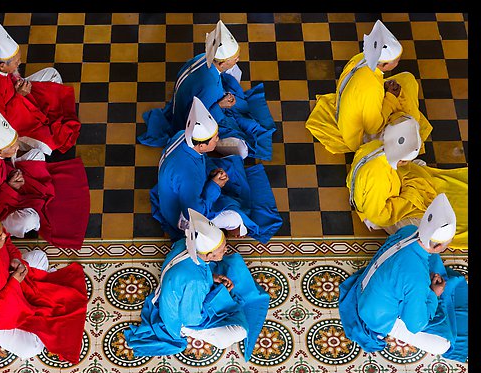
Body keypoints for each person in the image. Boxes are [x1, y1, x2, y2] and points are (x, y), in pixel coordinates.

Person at [0, 192, 88, 363]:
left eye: (2, 232)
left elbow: (8, 244)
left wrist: (16, 259)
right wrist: (14, 282)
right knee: (32, 347)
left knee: (39, 257)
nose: (5, 236)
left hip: (12, 283)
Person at [124, 208, 270, 361]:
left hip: (171, 296)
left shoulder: (184, 244)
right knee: (238, 333)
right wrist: (219, 297)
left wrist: (211, 277)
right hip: (179, 320)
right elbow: (192, 319)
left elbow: (191, 272)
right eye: (221, 250)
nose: (226, 250)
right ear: (208, 255)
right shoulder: (197, 282)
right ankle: (186, 332)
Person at [338, 193, 468, 363]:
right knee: (442, 344)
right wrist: (433, 296)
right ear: (437, 245)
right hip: (374, 316)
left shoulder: (409, 231)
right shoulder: (417, 279)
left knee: (428, 263)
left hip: (367, 291)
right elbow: (415, 324)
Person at [0, 106, 90, 249]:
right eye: (12, 147)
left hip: (3, 181)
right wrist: (10, 188)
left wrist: (10, 176)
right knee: (31, 219)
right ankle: (29, 227)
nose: (16, 147)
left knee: (36, 154)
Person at [138, 20, 277, 161]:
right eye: (235, 58)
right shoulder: (210, 86)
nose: (238, 59)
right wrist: (220, 105)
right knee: (242, 149)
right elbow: (202, 114)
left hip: (185, 102)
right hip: (190, 119)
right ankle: (211, 151)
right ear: (222, 63)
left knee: (235, 70)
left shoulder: (202, 58)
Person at [151, 96, 282, 243]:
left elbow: (202, 159)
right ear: (201, 145)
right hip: (181, 215)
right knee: (236, 218)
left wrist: (211, 171)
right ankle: (231, 228)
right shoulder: (188, 175)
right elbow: (194, 214)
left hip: (181, 189)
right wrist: (214, 186)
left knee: (234, 159)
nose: (218, 140)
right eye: (215, 138)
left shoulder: (182, 136)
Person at [306, 19, 432, 154]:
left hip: (346, 108)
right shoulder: (372, 89)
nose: (399, 61)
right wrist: (390, 98)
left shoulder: (360, 58)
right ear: (384, 65)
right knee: (406, 114)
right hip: (356, 136)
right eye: (397, 60)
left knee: (407, 79)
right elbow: (373, 127)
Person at [346, 114, 468, 250]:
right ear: (401, 160)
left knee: (416, 176)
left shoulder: (376, 145)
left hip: (384, 187)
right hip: (375, 209)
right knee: (423, 230)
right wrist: (409, 198)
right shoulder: (379, 178)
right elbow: (379, 216)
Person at [0, 17, 80, 155]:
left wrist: (17, 83)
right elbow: (2, 123)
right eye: (17, 62)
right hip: (7, 121)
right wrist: (20, 96)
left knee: (52, 74)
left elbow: (7, 81)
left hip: (14, 93)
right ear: (2, 65)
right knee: (46, 145)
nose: (20, 63)